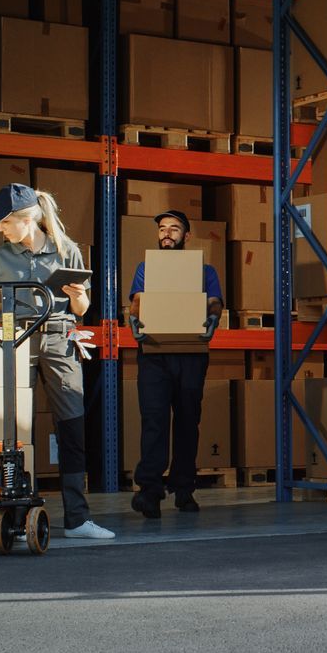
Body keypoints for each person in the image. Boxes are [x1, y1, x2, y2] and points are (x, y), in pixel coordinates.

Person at [0, 182, 115, 540]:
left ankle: (77, 520)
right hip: (16, 340)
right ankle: (18, 516)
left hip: (61, 339)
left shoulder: (67, 252)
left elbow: (82, 309)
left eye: (4, 222)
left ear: (26, 220)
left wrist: (78, 297)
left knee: (71, 424)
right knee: (16, 429)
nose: (0, 229)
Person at [126, 209, 224, 518]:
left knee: (186, 422)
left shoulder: (204, 271)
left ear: (186, 236)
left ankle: (184, 490)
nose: (167, 233)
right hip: (154, 353)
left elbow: (214, 301)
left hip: (191, 354)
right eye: (163, 228)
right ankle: (150, 492)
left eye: (174, 228)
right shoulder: (147, 268)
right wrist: (133, 318)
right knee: (154, 420)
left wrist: (212, 317)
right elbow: (138, 299)